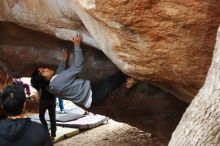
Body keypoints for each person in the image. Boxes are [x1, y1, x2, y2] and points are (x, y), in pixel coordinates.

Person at [31, 33, 126, 109]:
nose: (46, 68)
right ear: (45, 79)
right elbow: (77, 66)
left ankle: (127, 84)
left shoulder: (50, 87)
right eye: (43, 71)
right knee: (120, 76)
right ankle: (129, 80)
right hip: (94, 94)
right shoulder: (58, 81)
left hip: (91, 96)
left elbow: (60, 74)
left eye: (43, 68)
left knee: (113, 86)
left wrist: (64, 61)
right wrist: (77, 46)